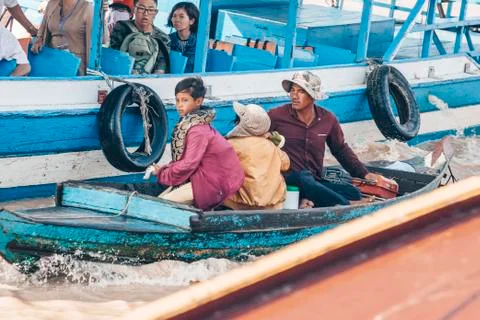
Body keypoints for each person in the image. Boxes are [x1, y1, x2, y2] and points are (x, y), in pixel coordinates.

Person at [268, 71, 381, 208]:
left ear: (313, 95)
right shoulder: (276, 115)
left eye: (301, 91)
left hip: (315, 181)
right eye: (292, 90)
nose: (294, 96)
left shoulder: (328, 119)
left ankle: (309, 201)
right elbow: (254, 136)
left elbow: (340, 149)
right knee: (303, 177)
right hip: (287, 181)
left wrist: (364, 173)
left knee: (353, 192)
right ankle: (345, 204)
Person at [150, 77, 244, 210]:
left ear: (198, 101)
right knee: (159, 201)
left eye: (185, 100)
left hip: (214, 182)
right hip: (210, 177)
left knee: (160, 206)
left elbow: (188, 164)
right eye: (177, 100)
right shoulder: (194, 125)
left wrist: (161, 173)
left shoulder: (197, 131)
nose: (179, 105)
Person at [224, 102, 290, 210]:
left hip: (240, 204)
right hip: (272, 205)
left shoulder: (232, 145)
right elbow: (285, 164)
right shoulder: (271, 145)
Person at [31, 0, 93, 76]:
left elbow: (101, 40)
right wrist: (39, 40)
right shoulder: (51, 4)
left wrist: (103, 16)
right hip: (53, 61)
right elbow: (41, 31)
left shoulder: (88, 8)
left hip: (76, 66)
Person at [110, 0, 170, 74]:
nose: (146, 14)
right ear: (134, 9)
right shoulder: (122, 27)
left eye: (151, 10)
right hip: (122, 75)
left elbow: (160, 69)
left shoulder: (163, 38)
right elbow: (114, 58)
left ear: (155, 13)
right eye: (141, 8)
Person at [167, 1, 198, 73]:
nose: (177, 20)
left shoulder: (200, 42)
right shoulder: (167, 39)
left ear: (191, 21)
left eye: (181, 16)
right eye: (174, 16)